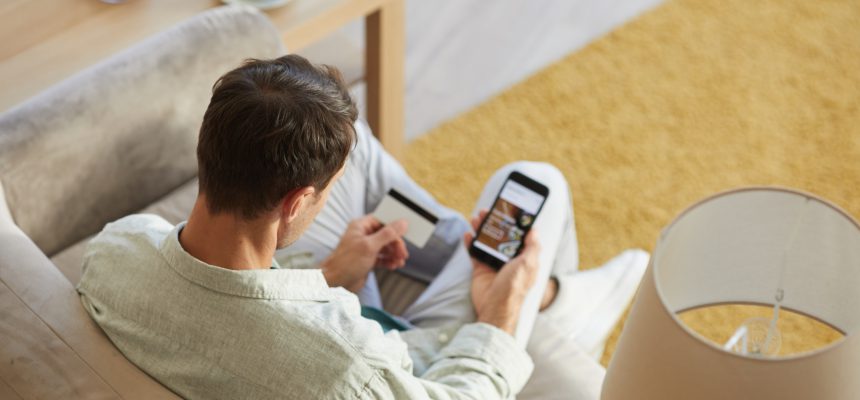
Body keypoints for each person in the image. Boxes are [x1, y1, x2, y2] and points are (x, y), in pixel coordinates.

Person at [77, 55, 648, 399]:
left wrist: (327, 275)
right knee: (532, 180)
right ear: (297, 202)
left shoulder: (116, 249)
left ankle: (512, 271)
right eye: (323, 194)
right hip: (418, 347)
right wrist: (502, 316)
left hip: (324, 295)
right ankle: (558, 298)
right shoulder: (343, 370)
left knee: (359, 148)